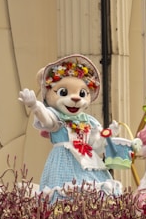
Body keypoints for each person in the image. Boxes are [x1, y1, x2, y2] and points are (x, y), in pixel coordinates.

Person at [18, 54, 127, 202]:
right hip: (63, 161)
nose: (76, 98)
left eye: (82, 93)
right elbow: (47, 120)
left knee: (94, 194)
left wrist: (108, 134)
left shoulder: (89, 121)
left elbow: (95, 145)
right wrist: (35, 106)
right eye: (64, 93)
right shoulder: (57, 117)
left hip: (88, 162)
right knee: (65, 195)